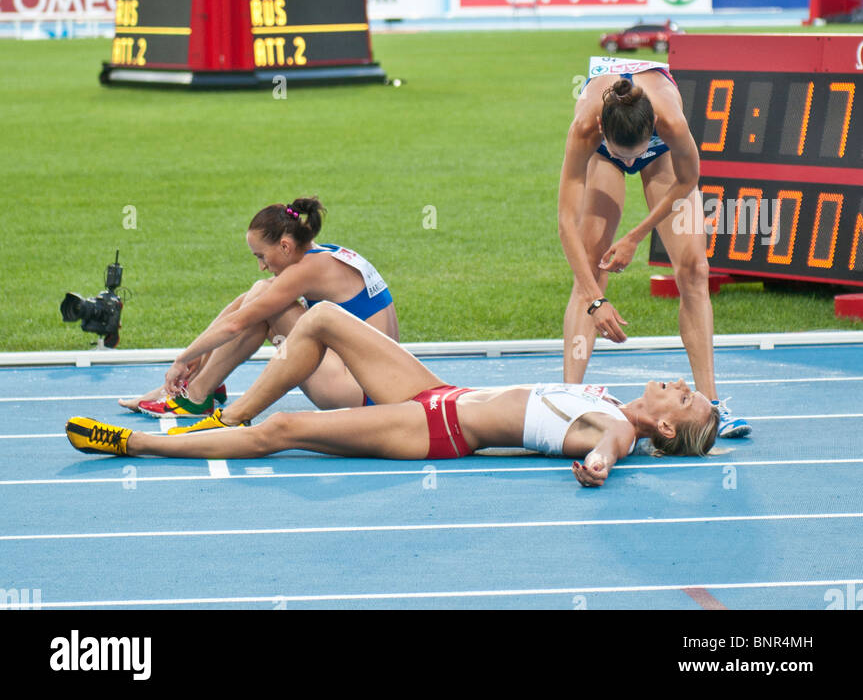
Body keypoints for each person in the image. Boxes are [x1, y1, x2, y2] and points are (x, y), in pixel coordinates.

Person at [68, 302, 720, 484]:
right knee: (320, 318)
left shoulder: (625, 431)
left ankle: (141, 443)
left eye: (686, 400)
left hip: (437, 433)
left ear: (663, 430)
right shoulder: (610, 398)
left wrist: (601, 462)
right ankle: (218, 417)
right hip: (441, 393)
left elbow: (606, 445)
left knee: (285, 433)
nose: (682, 387)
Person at [558, 66, 751, 438]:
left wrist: (635, 235)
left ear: (652, 131)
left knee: (695, 269)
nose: (631, 164)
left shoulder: (670, 123)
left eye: (636, 155)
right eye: (623, 156)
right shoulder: (586, 127)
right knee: (592, 263)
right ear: (602, 129)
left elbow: (687, 179)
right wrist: (596, 301)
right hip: (604, 149)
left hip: (658, 151)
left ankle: (711, 405)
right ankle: (570, 402)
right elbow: (565, 220)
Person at [118, 198, 399, 417]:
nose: (262, 265)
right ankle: (196, 385)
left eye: (262, 256)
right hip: (373, 384)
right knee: (258, 292)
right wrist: (197, 354)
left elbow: (236, 324)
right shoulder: (325, 254)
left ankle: (196, 396)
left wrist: (181, 359)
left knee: (263, 300)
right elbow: (240, 310)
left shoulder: (308, 269)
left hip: (362, 395)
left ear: (286, 247)